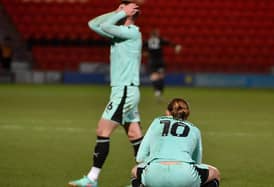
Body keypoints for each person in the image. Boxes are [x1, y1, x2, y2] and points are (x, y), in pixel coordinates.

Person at [68, 1, 143, 187]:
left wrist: (119, 13)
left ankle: (92, 179)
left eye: (124, 6)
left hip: (124, 91)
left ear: (129, 12)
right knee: (134, 134)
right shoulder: (121, 33)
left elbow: (105, 25)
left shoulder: (131, 32)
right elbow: (93, 24)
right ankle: (145, 181)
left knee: (103, 130)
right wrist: (117, 11)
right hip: (126, 90)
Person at [129, 98, 221, 187]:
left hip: (154, 174)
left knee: (134, 171)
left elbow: (140, 157)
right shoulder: (195, 129)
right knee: (215, 173)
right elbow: (197, 162)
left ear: (167, 112)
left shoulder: (156, 121)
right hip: (185, 175)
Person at [143, 29, 182, 101]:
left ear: (151, 35)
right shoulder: (160, 40)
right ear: (157, 34)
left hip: (152, 61)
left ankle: (156, 92)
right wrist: (176, 46)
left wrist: (146, 52)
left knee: (154, 77)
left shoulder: (148, 41)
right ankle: (160, 92)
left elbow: (143, 48)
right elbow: (168, 43)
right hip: (160, 61)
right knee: (161, 77)